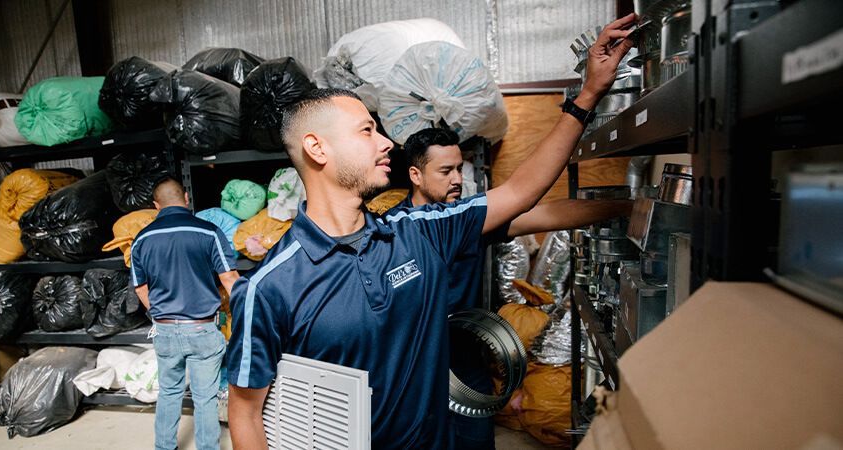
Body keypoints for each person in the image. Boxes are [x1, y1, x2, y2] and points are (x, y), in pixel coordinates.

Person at [226, 14, 637, 449]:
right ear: (317, 147)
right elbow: (246, 411)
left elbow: (520, 192)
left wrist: (588, 94)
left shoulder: (421, 232)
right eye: (367, 130)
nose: (386, 142)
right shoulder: (269, 288)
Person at [398, 127, 633, 449]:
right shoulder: (393, 230)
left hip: (466, 366)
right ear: (415, 174)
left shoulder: (470, 221)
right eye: (445, 171)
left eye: (459, 169)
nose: (456, 179)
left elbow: (547, 214)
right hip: (416, 371)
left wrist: (628, 207)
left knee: (475, 443)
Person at [130, 177, 240, 450]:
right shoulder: (208, 231)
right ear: (187, 198)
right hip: (202, 328)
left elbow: (140, 287)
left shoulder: (142, 239)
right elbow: (229, 279)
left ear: (157, 206)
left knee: (169, 393)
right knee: (204, 398)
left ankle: (164, 447)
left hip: (165, 329)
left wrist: (158, 313)